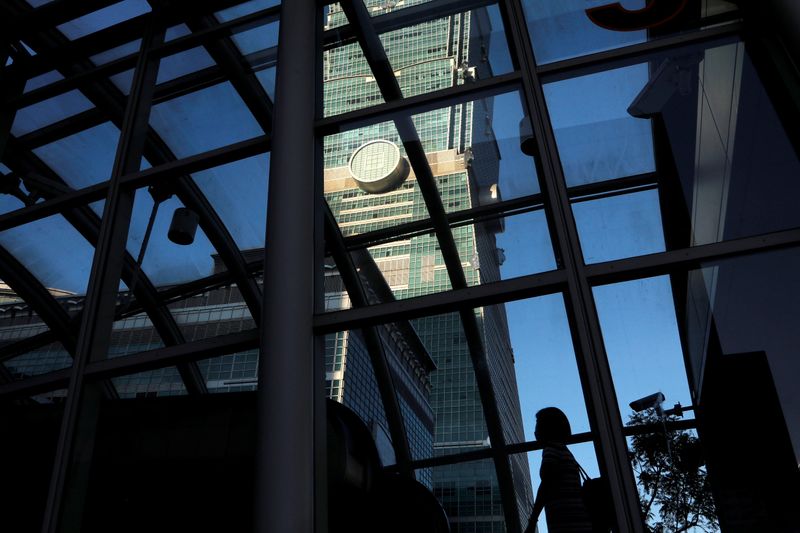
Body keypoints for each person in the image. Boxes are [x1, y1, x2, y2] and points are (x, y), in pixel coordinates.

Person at [525, 407, 593, 533]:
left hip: (566, 522)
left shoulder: (551, 450)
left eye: (537, 425)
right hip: (579, 519)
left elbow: (546, 484)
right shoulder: (566, 452)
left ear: (546, 428)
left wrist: (533, 520)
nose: (534, 432)